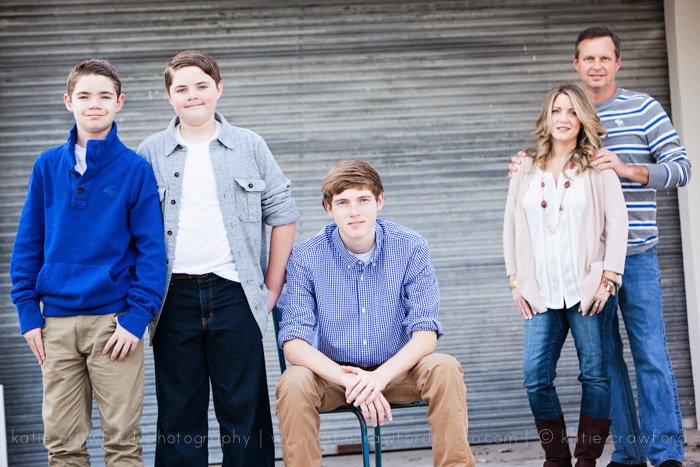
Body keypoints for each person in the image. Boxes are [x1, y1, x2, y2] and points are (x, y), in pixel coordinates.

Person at [510, 27, 691, 467]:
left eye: (604, 58)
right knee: (606, 362)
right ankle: (629, 452)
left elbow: (681, 169)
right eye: (588, 58)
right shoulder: (570, 112)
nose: (596, 66)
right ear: (576, 64)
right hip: (586, 263)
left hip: (637, 254)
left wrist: (628, 170)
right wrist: (525, 165)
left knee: (650, 354)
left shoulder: (643, 108)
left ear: (617, 62)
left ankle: (666, 453)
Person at [137, 50, 299, 467]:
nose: (193, 95)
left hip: (234, 294)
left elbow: (283, 213)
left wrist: (271, 287)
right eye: (182, 88)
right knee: (179, 415)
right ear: (169, 96)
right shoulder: (150, 151)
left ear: (219, 88)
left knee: (245, 414)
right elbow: (133, 228)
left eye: (202, 86)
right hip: (172, 298)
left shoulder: (249, 145)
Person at [9, 59, 167, 466]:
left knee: (122, 444)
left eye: (104, 96)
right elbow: (28, 243)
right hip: (55, 325)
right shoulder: (46, 166)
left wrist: (136, 318)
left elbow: (152, 252)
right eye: (84, 96)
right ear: (68, 101)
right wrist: (28, 313)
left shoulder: (134, 169)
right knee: (62, 446)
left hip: (114, 325)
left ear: (119, 102)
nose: (94, 104)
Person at [275, 159, 475, 467]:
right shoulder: (305, 257)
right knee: (293, 381)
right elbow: (294, 344)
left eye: (363, 200)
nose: (354, 211)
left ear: (380, 200)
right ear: (328, 208)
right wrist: (350, 380)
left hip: (398, 372)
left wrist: (380, 377)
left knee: (445, 368)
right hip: (333, 376)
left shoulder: (411, 247)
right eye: (343, 202)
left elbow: (426, 335)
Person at [503, 82, 628, 467]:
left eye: (572, 111)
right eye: (557, 110)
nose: (564, 118)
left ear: (583, 119)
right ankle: (556, 459)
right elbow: (511, 226)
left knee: (595, 375)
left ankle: (586, 459)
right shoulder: (525, 168)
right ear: (547, 117)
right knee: (535, 377)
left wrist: (609, 278)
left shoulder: (598, 167)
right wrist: (515, 281)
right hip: (539, 291)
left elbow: (618, 224)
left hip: (587, 290)